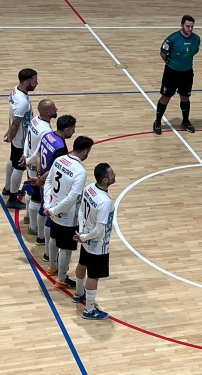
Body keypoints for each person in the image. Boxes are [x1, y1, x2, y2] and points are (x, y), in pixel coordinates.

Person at [44, 136, 93, 289]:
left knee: (53, 239)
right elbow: (72, 198)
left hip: (52, 208)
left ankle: (52, 267)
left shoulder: (59, 160)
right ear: (85, 152)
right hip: (67, 216)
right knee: (66, 248)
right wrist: (54, 210)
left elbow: (48, 181)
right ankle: (61, 278)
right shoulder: (80, 171)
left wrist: (48, 205)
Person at [72, 163, 116, 320]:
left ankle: (79, 293)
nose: (114, 175)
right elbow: (99, 230)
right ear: (105, 180)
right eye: (112, 174)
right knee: (93, 276)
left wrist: (82, 232)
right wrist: (84, 236)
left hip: (85, 235)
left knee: (82, 264)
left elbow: (81, 210)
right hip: (97, 244)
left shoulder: (90, 188)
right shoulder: (105, 201)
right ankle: (89, 310)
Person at [31, 115, 77, 268]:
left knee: (42, 209)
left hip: (43, 179)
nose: (74, 131)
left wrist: (39, 174)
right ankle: (47, 253)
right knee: (50, 218)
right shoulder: (60, 147)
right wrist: (42, 179)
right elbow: (55, 169)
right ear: (67, 129)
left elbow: (38, 154)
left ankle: (40, 239)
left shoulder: (47, 135)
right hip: (50, 184)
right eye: (73, 129)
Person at [153, 15, 201, 135]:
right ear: (182, 25)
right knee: (166, 97)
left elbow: (194, 52)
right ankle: (157, 122)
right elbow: (163, 53)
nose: (190, 29)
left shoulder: (196, 39)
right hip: (171, 73)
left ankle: (185, 121)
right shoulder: (172, 39)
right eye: (187, 26)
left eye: (192, 26)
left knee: (185, 97)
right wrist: (171, 63)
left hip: (187, 73)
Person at [19, 100, 58, 245]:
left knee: (30, 191)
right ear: (46, 112)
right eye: (54, 108)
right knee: (36, 198)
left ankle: (28, 217)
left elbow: (27, 139)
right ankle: (33, 227)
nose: (56, 109)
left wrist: (25, 156)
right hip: (36, 164)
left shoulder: (35, 119)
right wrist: (28, 160)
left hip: (29, 161)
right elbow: (39, 151)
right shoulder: (46, 130)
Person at [3, 68, 38, 210]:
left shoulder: (15, 91)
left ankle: (7, 188)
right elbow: (16, 122)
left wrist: (10, 132)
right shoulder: (22, 102)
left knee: (12, 161)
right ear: (26, 82)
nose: (37, 83)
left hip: (17, 137)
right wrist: (11, 134)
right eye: (34, 81)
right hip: (22, 139)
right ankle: (12, 199)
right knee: (19, 168)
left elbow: (12, 116)